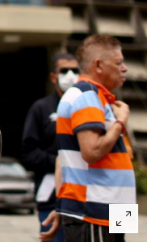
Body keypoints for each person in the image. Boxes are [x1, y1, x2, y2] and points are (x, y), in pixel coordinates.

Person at [42, 35, 135, 242]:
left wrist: (62, 205)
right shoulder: (86, 96)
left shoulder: (98, 97)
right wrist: (121, 122)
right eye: (119, 63)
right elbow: (91, 152)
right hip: (95, 209)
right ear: (99, 65)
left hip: (112, 208)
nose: (124, 68)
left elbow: (64, 160)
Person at [22, 53, 79, 242]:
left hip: (115, 199)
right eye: (65, 70)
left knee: (118, 236)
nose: (124, 70)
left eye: (75, 70)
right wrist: (61, 161)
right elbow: (28, 153)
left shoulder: (112, 108)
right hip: (54, 197)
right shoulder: (41, 108)